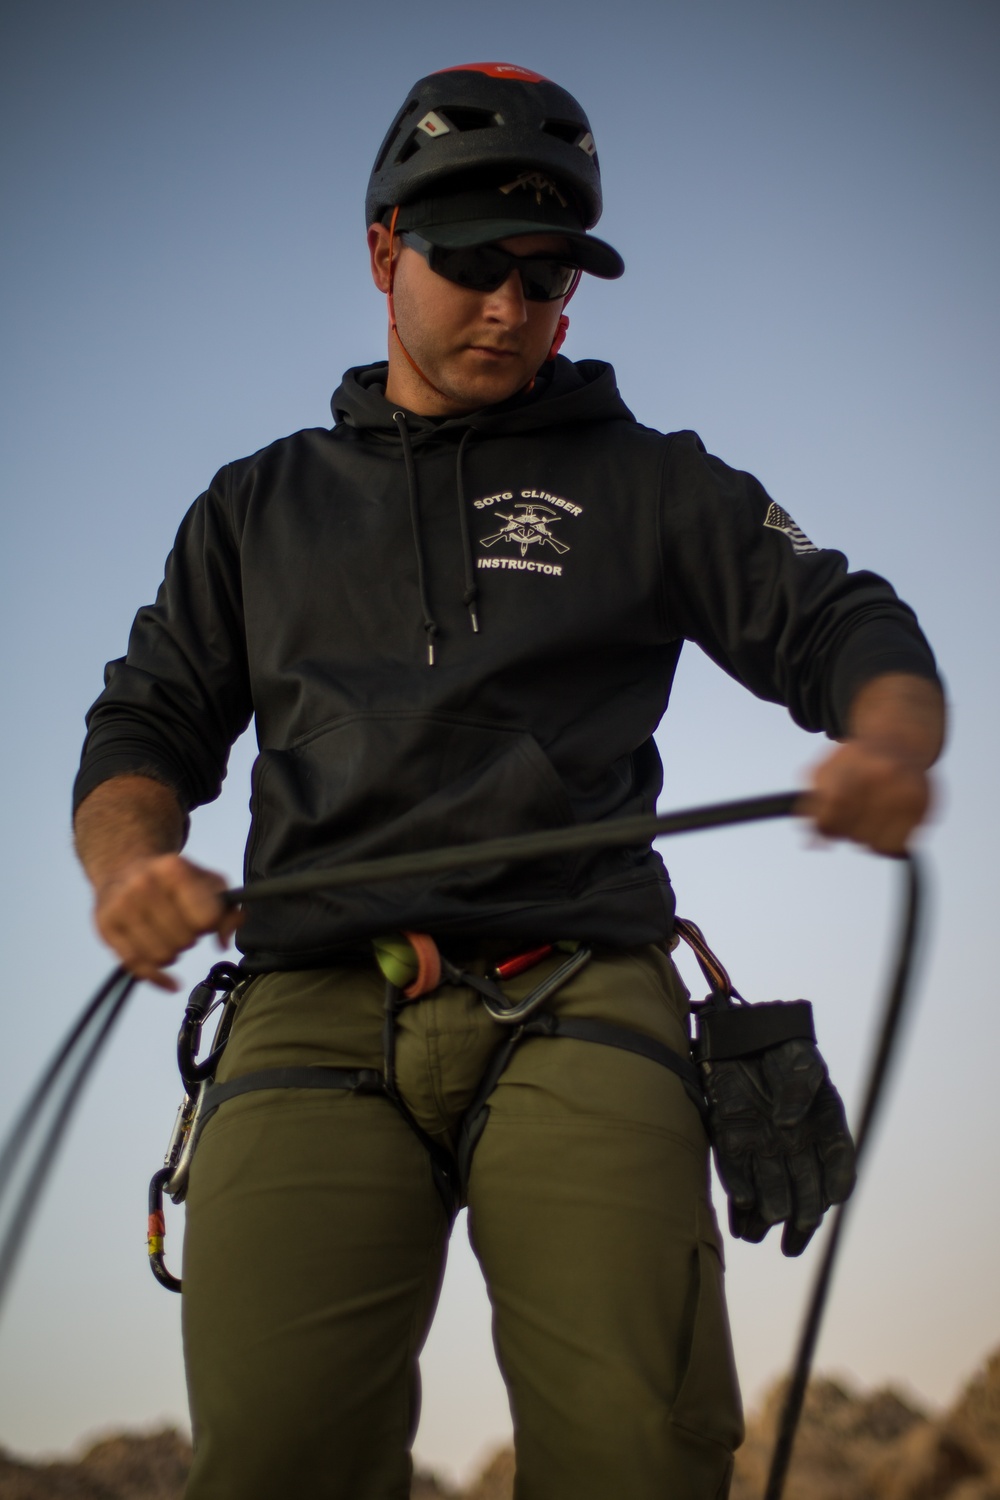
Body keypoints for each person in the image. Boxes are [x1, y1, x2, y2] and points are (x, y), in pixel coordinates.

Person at [73, 62, 944, 1500]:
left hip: (581, 988)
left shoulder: (654, 479)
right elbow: (142, 732)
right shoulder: (253, 506)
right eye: (473, 262)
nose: (510, 307)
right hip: (306, 1000)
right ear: (381, 251)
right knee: (276, 1456)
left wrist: (888, 740)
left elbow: (850, 622)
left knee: (640, 1452)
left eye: (545, 279)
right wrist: (129, 868)